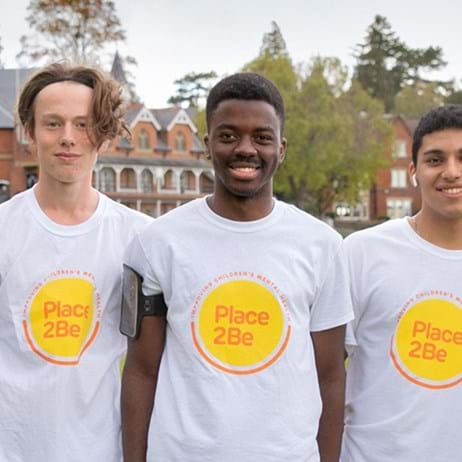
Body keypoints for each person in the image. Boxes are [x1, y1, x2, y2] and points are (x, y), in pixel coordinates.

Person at [122, 72, 353, 462]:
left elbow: (330, 375)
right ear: (207, 144)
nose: (245, 148)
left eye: (261, 137)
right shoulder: (157, 243)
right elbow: (141, 371)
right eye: (229, 136)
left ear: (281, 148)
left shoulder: (322, 245)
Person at [0, 63, 151, 461]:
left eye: (83, 124)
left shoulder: (141, 239)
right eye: (53, 124)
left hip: (102, 450)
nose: (68, 138)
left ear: (102, 134)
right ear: (29, 131)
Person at [341, 105, 462, 462]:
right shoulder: (363, 252)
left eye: (461, 158)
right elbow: (323, 373)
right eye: (435, 159)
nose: (451, 172)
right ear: (413, 171)